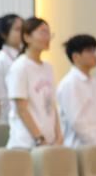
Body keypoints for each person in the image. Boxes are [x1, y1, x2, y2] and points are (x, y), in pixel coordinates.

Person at [6, 17, 60, 148]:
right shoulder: (20, 66)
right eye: (43, 32)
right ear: (27, 37)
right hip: (26, 144)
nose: (47, 37)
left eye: (49, 33)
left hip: (49, 143)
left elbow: (52, 105)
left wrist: (59, 136)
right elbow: (21, 109)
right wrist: (39, 139)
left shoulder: (48, 67)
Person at [57, 34, 96, 147]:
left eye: (94, 50)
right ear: (75, 56)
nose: (94, 54)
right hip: (79, 149)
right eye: (89, 51)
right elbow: (77, 122)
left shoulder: (95, 83)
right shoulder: (70, 83)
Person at [0, 13, 23, 120]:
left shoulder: (24, 58)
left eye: (23, 29)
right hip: (10, 119)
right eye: (17, 29)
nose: (22, 33)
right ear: (4, 34)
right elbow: (0, 98)